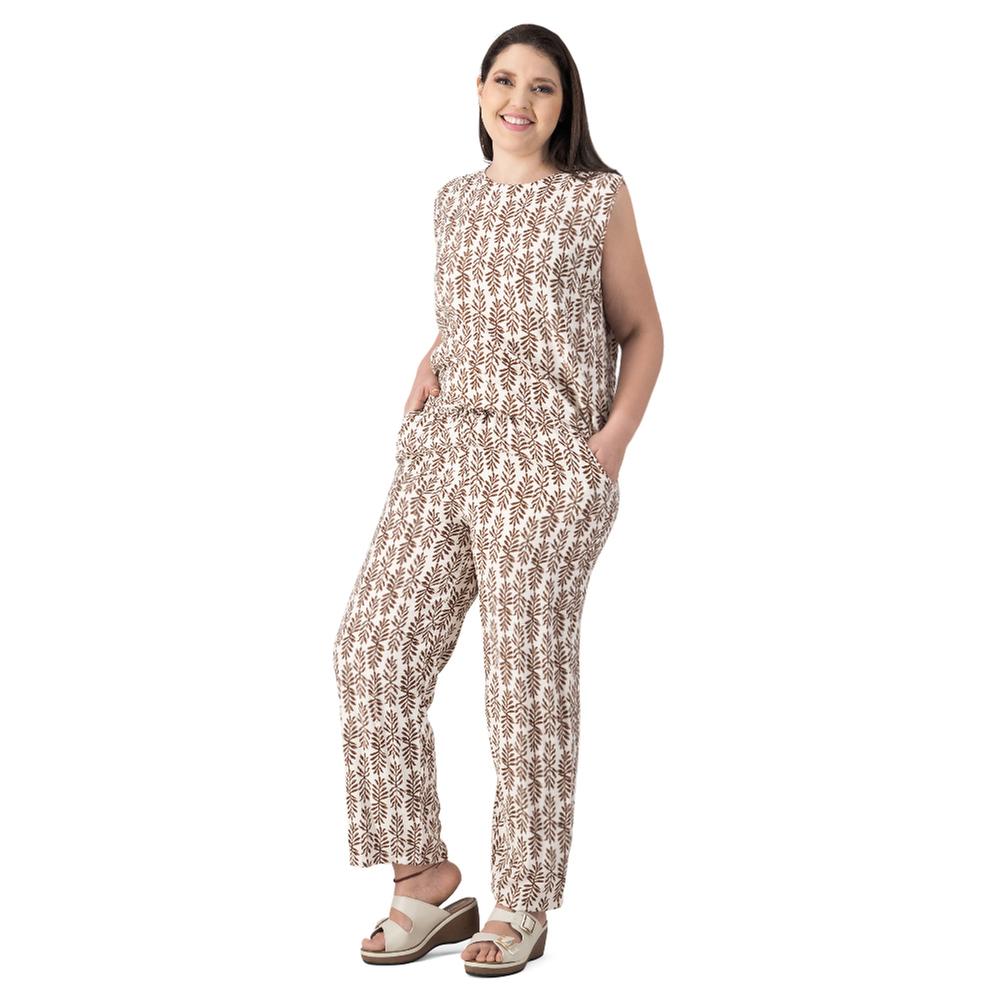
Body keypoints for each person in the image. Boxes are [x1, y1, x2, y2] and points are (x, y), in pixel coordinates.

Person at [332, 24, 663, 977]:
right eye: (505, 81)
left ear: (565, 104)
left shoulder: (595, 197)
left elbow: (642, 330)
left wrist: (609, 446)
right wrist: (431, 359)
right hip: (444, 450)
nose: (521, 101)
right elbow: (477, 308)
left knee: (523, 683)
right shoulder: (453, 200)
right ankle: (424, 878)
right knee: (372, 649)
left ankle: (520, 901)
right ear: (480, 92)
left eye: (542, 87)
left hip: (547, 463)